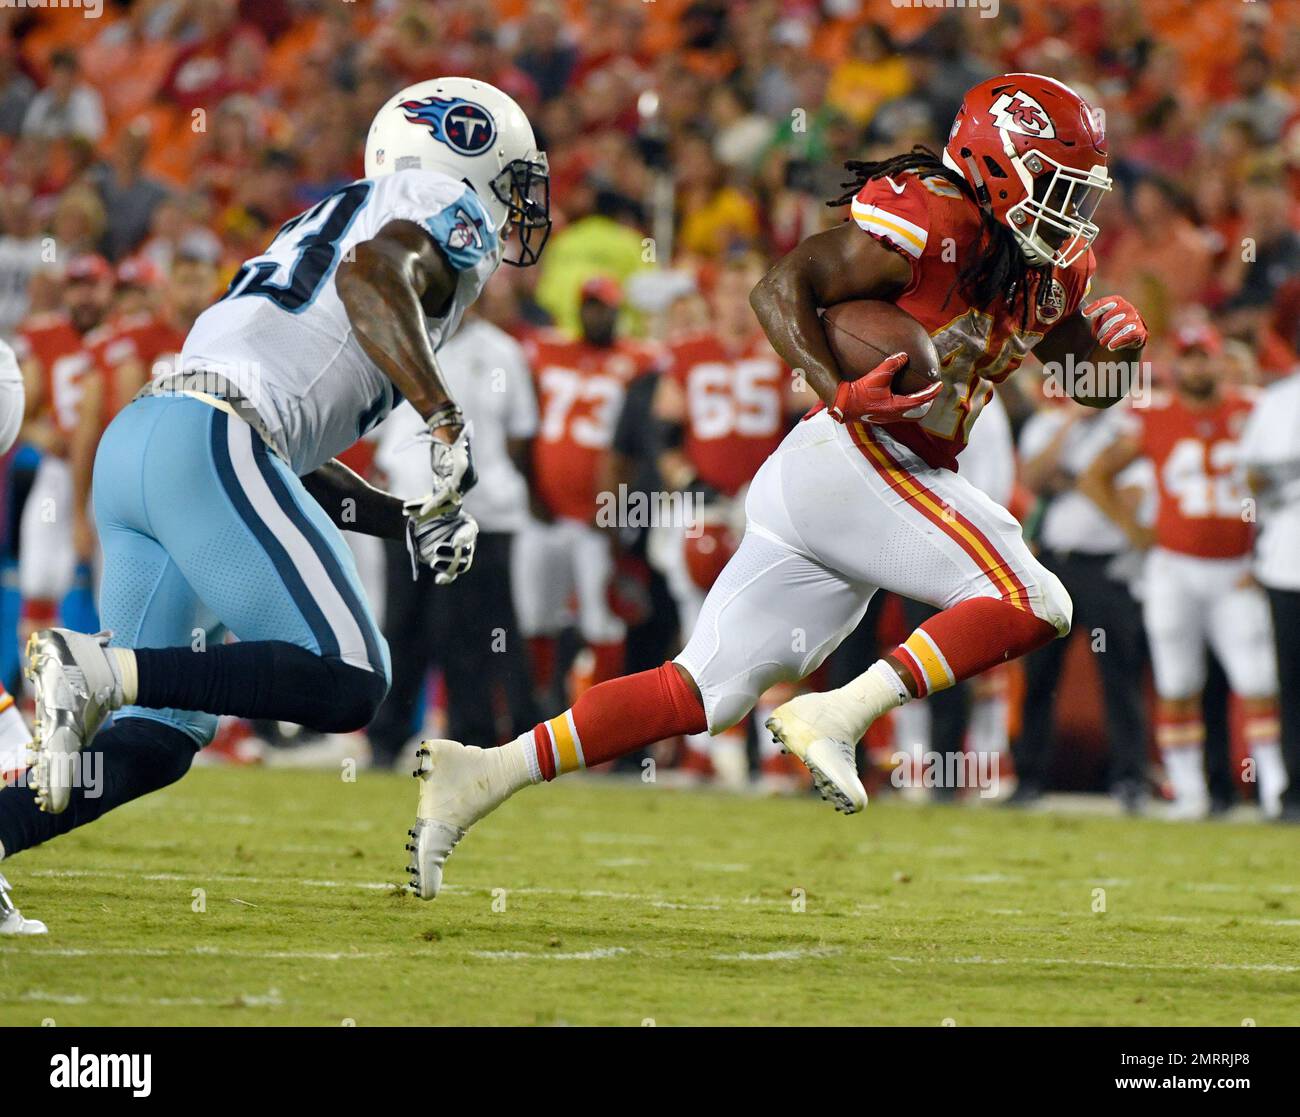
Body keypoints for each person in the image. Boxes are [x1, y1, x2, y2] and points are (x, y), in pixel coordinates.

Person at [402, 74, 1148, 899]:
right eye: (1056, 183)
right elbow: (780, 286)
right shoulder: (931, 218)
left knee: (701, 690)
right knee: (1035, 598)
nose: (1072, 209)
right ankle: (839, 712)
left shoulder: (1050, 265)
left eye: (1079, 190)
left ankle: (484, 772)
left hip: (864, 479)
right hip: (854, 455)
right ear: (998, 163)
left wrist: (1119, 356)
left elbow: (1085, 378)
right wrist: (835, 383)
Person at [0, 79, 551, 925]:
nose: (515, 210)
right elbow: (375, 278)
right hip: (211, 441)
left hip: (151, 443)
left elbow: (283, 447)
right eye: (511, 181)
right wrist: (442, 416)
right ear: (462, 151)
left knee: (160, 735)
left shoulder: (323, 225)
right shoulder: (433, 205)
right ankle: (98, 667)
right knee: (350, 676)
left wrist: (398, 520)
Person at [1080, 325, 1286, 819]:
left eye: (1205, 358)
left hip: (1237, 569)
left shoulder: (1252, 409)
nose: (1196, 368)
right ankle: (1189, 791)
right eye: (1188, 358)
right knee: (1176, 682)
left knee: (1258, 681)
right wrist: (1132, 526)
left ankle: (1278, 788)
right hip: (1173, 568)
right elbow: (1095, 475)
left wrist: (1263, 551)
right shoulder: (1151, 415)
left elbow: (1273, 487)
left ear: (1220, 362)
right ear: (1177, 364)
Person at [368, 301, 539, 766]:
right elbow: (372, 425)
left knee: (472, 634)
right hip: (407, 505)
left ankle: (473, 739)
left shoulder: (503, 351)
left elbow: (520, 433)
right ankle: (387, 738)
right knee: (403, 626)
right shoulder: (397, 338)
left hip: (483, 511)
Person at [1010, 394, 1149, 811]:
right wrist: (1072, 428)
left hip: (1107, 570)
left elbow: (1132, 498)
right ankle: (1028, 779)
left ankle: (1130, 780)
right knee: (1039, 676)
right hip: (1053, 567)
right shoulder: (1052, 425)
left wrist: (1080, 480)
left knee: (1120, 678)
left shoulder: (1128, 428)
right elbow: (1034, 478)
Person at [1239, 367, 1300, 822]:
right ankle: (1294, 789)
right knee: (1291, 682)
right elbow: (1251, 480)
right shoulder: (1278, 401)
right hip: (1287, 556)